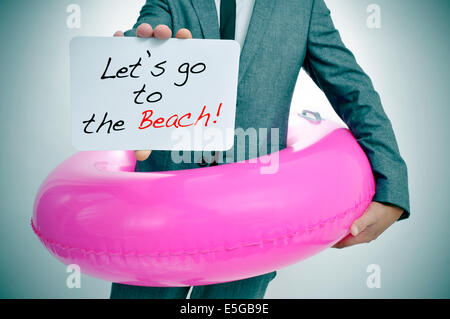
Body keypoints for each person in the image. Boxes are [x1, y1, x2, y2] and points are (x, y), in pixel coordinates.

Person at [110, 0, 410, 299]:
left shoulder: (302, 6)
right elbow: (146, 34)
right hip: (162, 209)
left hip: (251, 217)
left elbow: (353, 89)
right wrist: (134, 58)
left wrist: (391, 189)